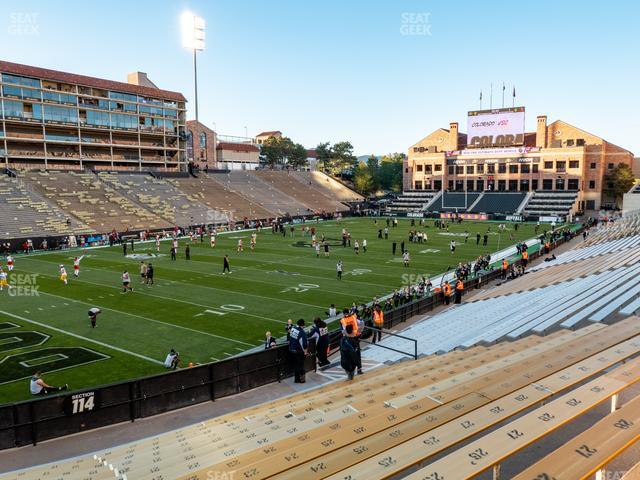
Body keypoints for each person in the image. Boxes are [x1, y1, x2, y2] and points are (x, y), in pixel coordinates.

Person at [288, 319, 308, 383]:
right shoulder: (302, 332)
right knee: (301, 365)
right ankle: (302, 379)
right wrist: (305, 352)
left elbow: (290, 338)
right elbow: (304, 344)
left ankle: (296, 379)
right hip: (298, 351)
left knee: (296, 365)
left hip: (291, 350)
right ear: (302, 325)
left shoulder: (293, 328)